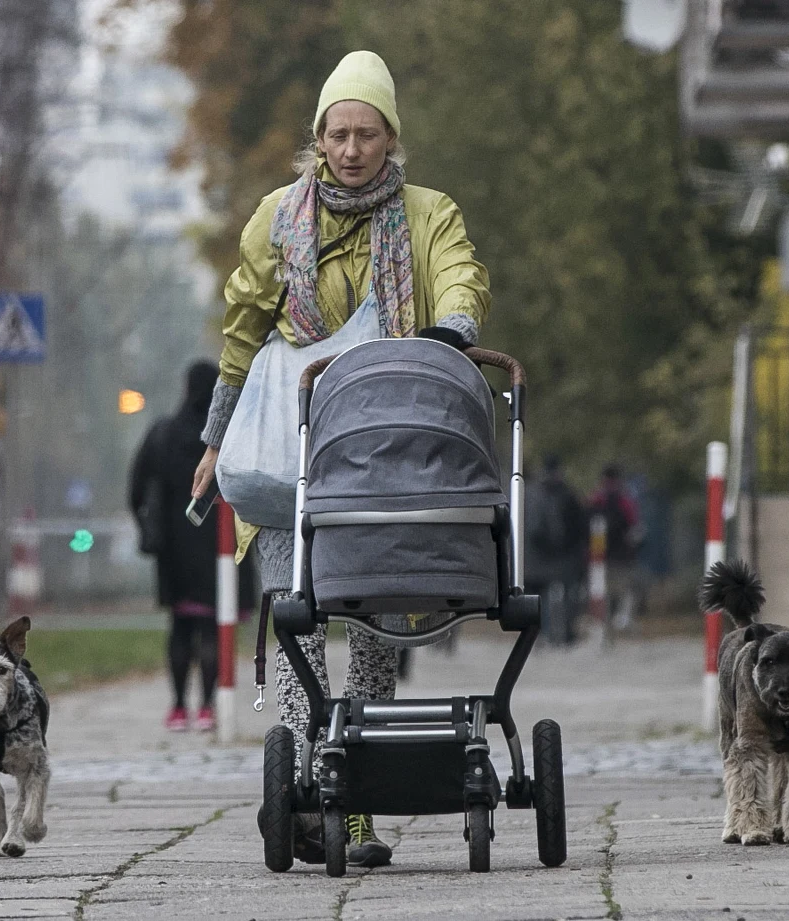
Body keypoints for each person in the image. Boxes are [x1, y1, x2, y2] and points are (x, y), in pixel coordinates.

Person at [191, 50, 490, 869]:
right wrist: (215, 441)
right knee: (297, 624)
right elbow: (242, 333)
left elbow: (459, 276)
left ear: (391, 137)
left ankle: (354, 804)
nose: (351, 147)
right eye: (337, 133)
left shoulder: (428, 215)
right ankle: (302, 789)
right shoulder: (277, 219)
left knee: (369, 631)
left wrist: (454, 325)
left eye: (367, 133)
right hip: (291, 456)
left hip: (386, 453)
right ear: (318, 139)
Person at [130, 360, 222, 733]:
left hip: (174, 552)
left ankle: (179, 708)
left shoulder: (162, 434)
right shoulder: (222, 439)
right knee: (212, 629)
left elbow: (135, 489)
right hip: (218, 551)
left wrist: (149, 528)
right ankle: (208, 708)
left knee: (181, 628)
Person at [523, 454, 589, 646]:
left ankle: (544, 634)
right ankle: (556, 634)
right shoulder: (563, 493)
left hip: (539, 557)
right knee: (556, 596)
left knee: (542, 596)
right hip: (554, 556)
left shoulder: (531, 493)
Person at [588, 463, 644, 632]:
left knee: (601, 592)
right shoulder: (625, 500)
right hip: (622, 555)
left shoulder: (596, 498)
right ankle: (622, 620)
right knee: (626, 590)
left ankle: (603, 625)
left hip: (599, 556)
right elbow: (635, 526)